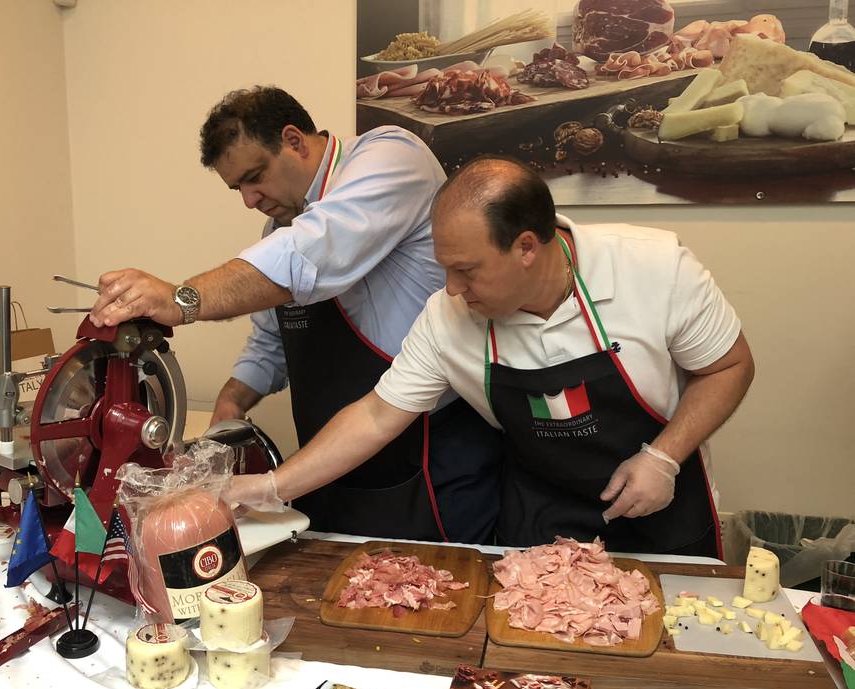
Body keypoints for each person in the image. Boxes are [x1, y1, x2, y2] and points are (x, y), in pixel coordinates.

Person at [228, 156, 755, 558]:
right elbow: (376, 414)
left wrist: (664, 457)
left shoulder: (654, 268)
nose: (452, 289)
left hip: (663, 506)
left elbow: (728, 366)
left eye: (467, 270)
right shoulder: (448, 316)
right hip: (541, 519)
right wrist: (272, 487)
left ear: (526, 247)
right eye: (445, 268)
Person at [87, 86, 502, 543]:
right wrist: (231, 402)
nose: (249, 200)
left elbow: (313, 252)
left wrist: (182, 299)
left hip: (428, 460)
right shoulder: (280, 231)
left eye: (255, 177)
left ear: (294, 141)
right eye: (238, 188)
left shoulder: (391, 156)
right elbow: (271, 342)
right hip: (328, 463)